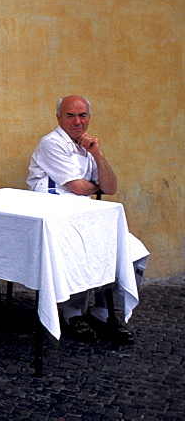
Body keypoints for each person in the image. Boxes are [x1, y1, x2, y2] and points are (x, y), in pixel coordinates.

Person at [27, 95, 148, 344]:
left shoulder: (88, 146)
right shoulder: (51, 143)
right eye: (70, 115)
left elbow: (111, 187)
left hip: (85, 215)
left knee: (133, 251)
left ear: (89, 118)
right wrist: (94, 186)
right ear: (59, 117)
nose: (77, 121)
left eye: (82, 115)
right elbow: (79, 187)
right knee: (79, 253)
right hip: (55, 215)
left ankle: (103, 311)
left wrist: (98, 155)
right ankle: (72, 314)